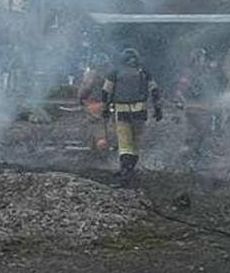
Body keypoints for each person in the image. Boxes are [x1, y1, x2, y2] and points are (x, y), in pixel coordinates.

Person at [102, 47, 162, 182]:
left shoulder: (115, 72)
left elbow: (105, 91)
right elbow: (154, 90)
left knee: (125, 142)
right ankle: (131, 169)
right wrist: (158, 109)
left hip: (122, 111)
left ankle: (125, 171)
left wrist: (105, 108)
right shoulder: (144, 71)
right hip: (140, 111)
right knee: (135, 141)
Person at [174, 48, 222, 164]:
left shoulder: (204, 73)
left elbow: (211, 90)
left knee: (202, 134)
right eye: (202, 58)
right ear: (197, 59)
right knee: (193, 134)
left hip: (204, 110)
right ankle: (185, 158)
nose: (204, 61)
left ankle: (194, 156)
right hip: (195, 110)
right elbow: (179, 90)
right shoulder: (190, 73)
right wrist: (183, 103)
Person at [77, 53, 112, 153]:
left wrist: (80, 97)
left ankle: (99, 148)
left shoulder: (92, 74)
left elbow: (86, 87)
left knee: (96, 124)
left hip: (94, 103)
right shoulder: (111, 74)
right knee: (107, 124)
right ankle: (104, 146)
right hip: (108, 103)